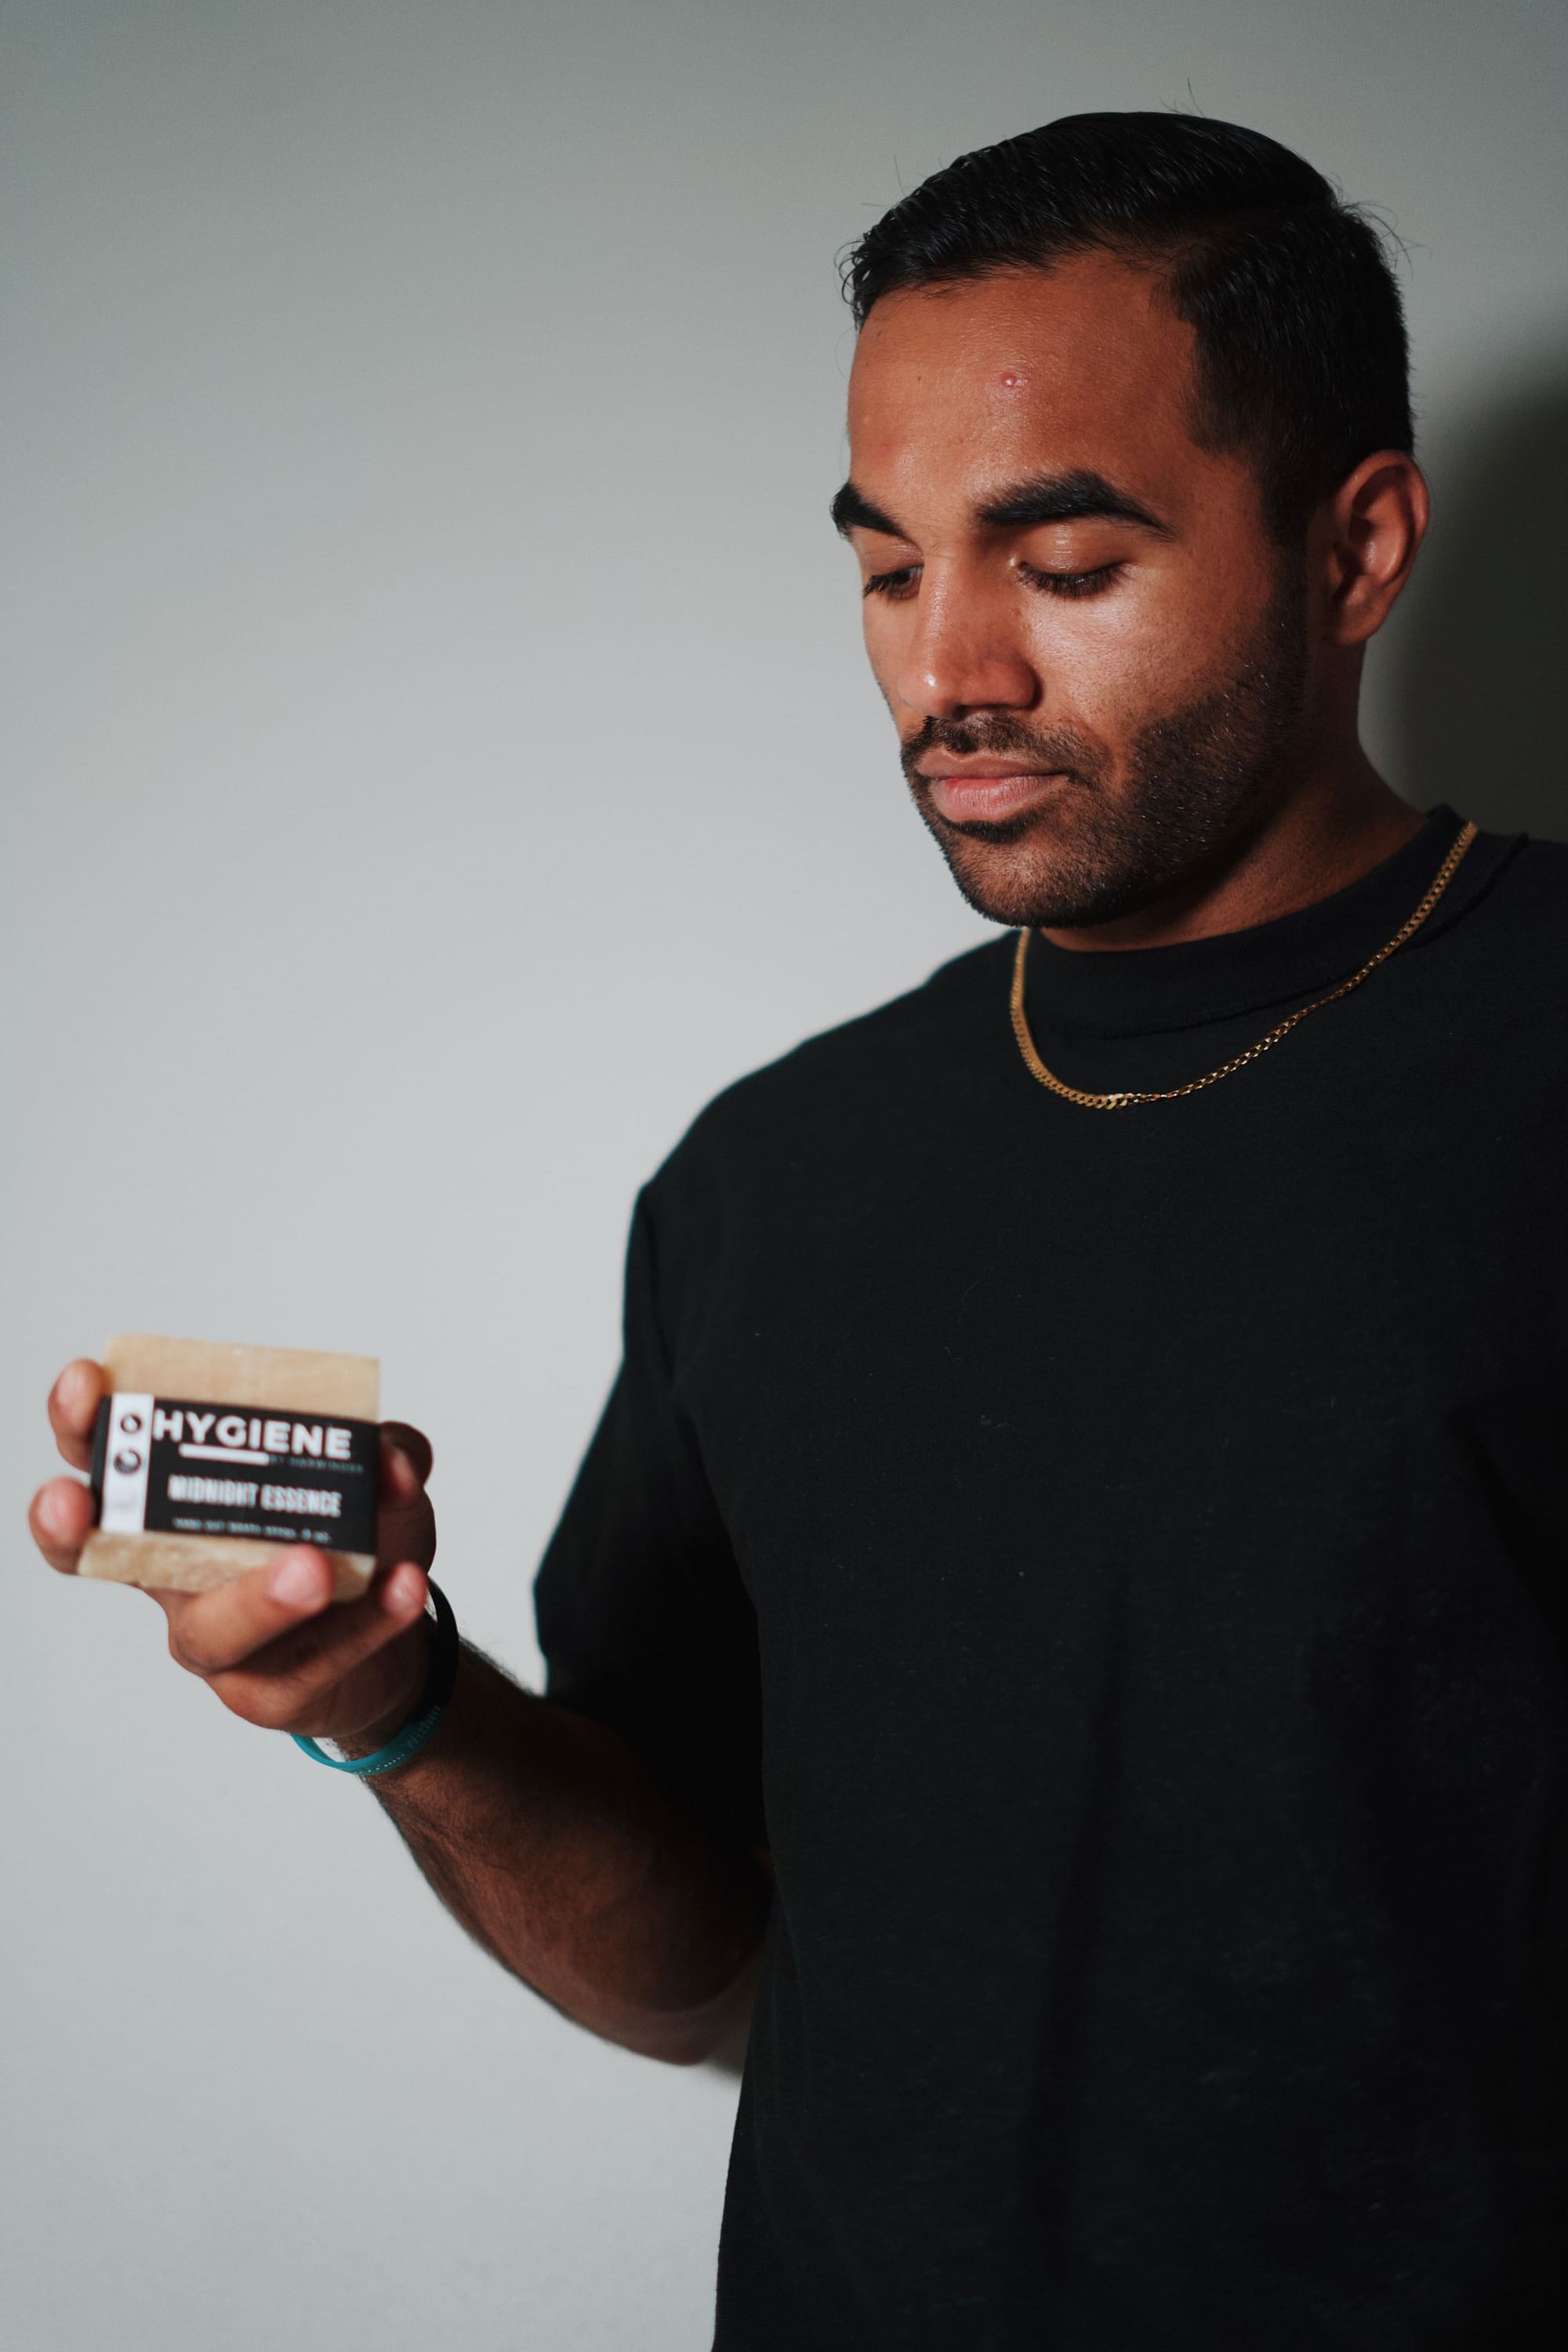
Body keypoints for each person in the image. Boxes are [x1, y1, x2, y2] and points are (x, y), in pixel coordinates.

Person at [31, 112, 1568, 2349]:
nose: (953, 669)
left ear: (1356, 550)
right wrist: (393, 1704)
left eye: (1065, 565)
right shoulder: (770, 1179)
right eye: (887, 569)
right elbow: (700, 1963)